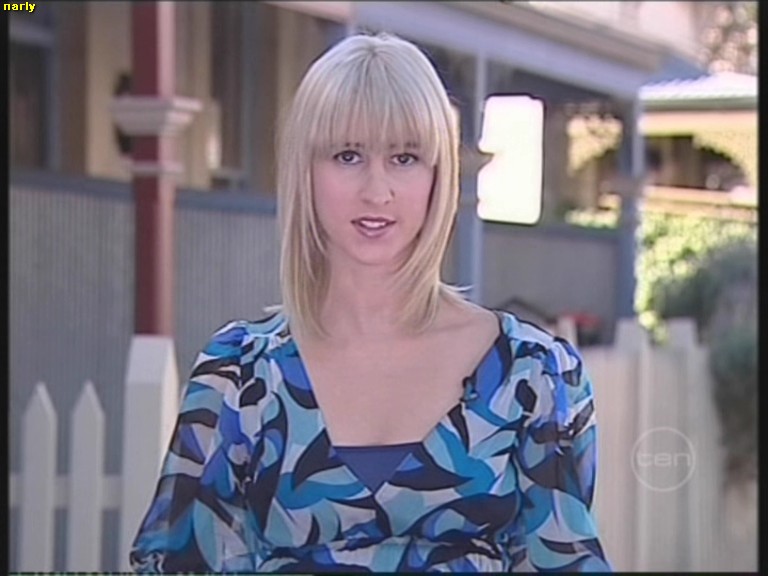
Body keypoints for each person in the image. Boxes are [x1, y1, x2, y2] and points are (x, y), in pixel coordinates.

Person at [130, 32, 612, 573]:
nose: (376, 191)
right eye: (348, 155)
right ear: (305, 171)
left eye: (404, 157)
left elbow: (562, 559)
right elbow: (178, 562)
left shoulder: (533, 375)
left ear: (439, 174)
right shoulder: (239, 377)